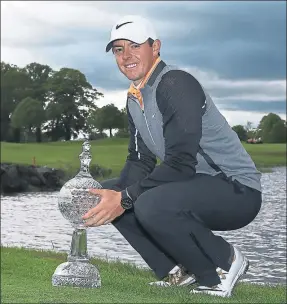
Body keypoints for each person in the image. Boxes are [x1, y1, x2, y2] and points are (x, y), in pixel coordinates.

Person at [82, 15, 262, 298]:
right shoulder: (134, 97)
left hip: (236, 188)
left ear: (155, 47)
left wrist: (126, 198)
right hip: (193, 185)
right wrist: (112, 196)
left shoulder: (176, 83)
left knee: (146, 201)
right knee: (114, 191)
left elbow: (180, 163)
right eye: (118, 49)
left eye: (134, 46)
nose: (126, 55)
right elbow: (140, 161)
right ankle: (179, 270)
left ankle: (224, 264)